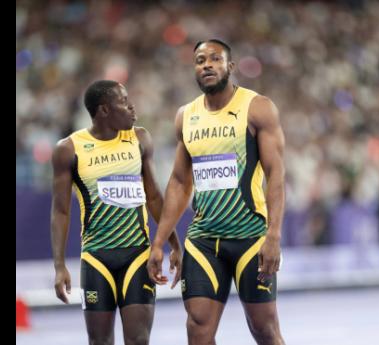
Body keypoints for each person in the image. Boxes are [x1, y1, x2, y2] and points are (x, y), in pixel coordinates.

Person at [147, 39, 286, 345]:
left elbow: (276, 174)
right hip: (204, 240)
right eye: (199, 60)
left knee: (264, 330)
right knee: (198, 329)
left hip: (250, 237)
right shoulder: (186, 116)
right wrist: (159, 242)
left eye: (214, 59)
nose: (207, 65)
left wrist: (273, 235)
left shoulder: (257, 108)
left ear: (230, 67)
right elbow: (180, 182)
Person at [50, 80, 182, 345]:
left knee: (138, 340)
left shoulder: (140, 138)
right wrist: (60, 265)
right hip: (97, 258)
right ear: (104, 110)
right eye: (123, 101)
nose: (132, 107)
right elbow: (61, 211)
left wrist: (174, 244)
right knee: (99, 341)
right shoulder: (69, 149)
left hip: (137, 255)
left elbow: (154, 196)